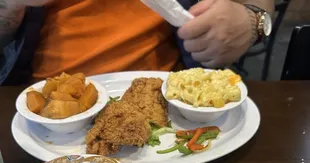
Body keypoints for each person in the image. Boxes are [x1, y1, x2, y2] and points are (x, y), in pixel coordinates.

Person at [0, 0, 274, 85]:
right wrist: (10, 6)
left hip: (172, 99)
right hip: (38, 110)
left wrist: (252, 20)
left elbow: (259, 8)